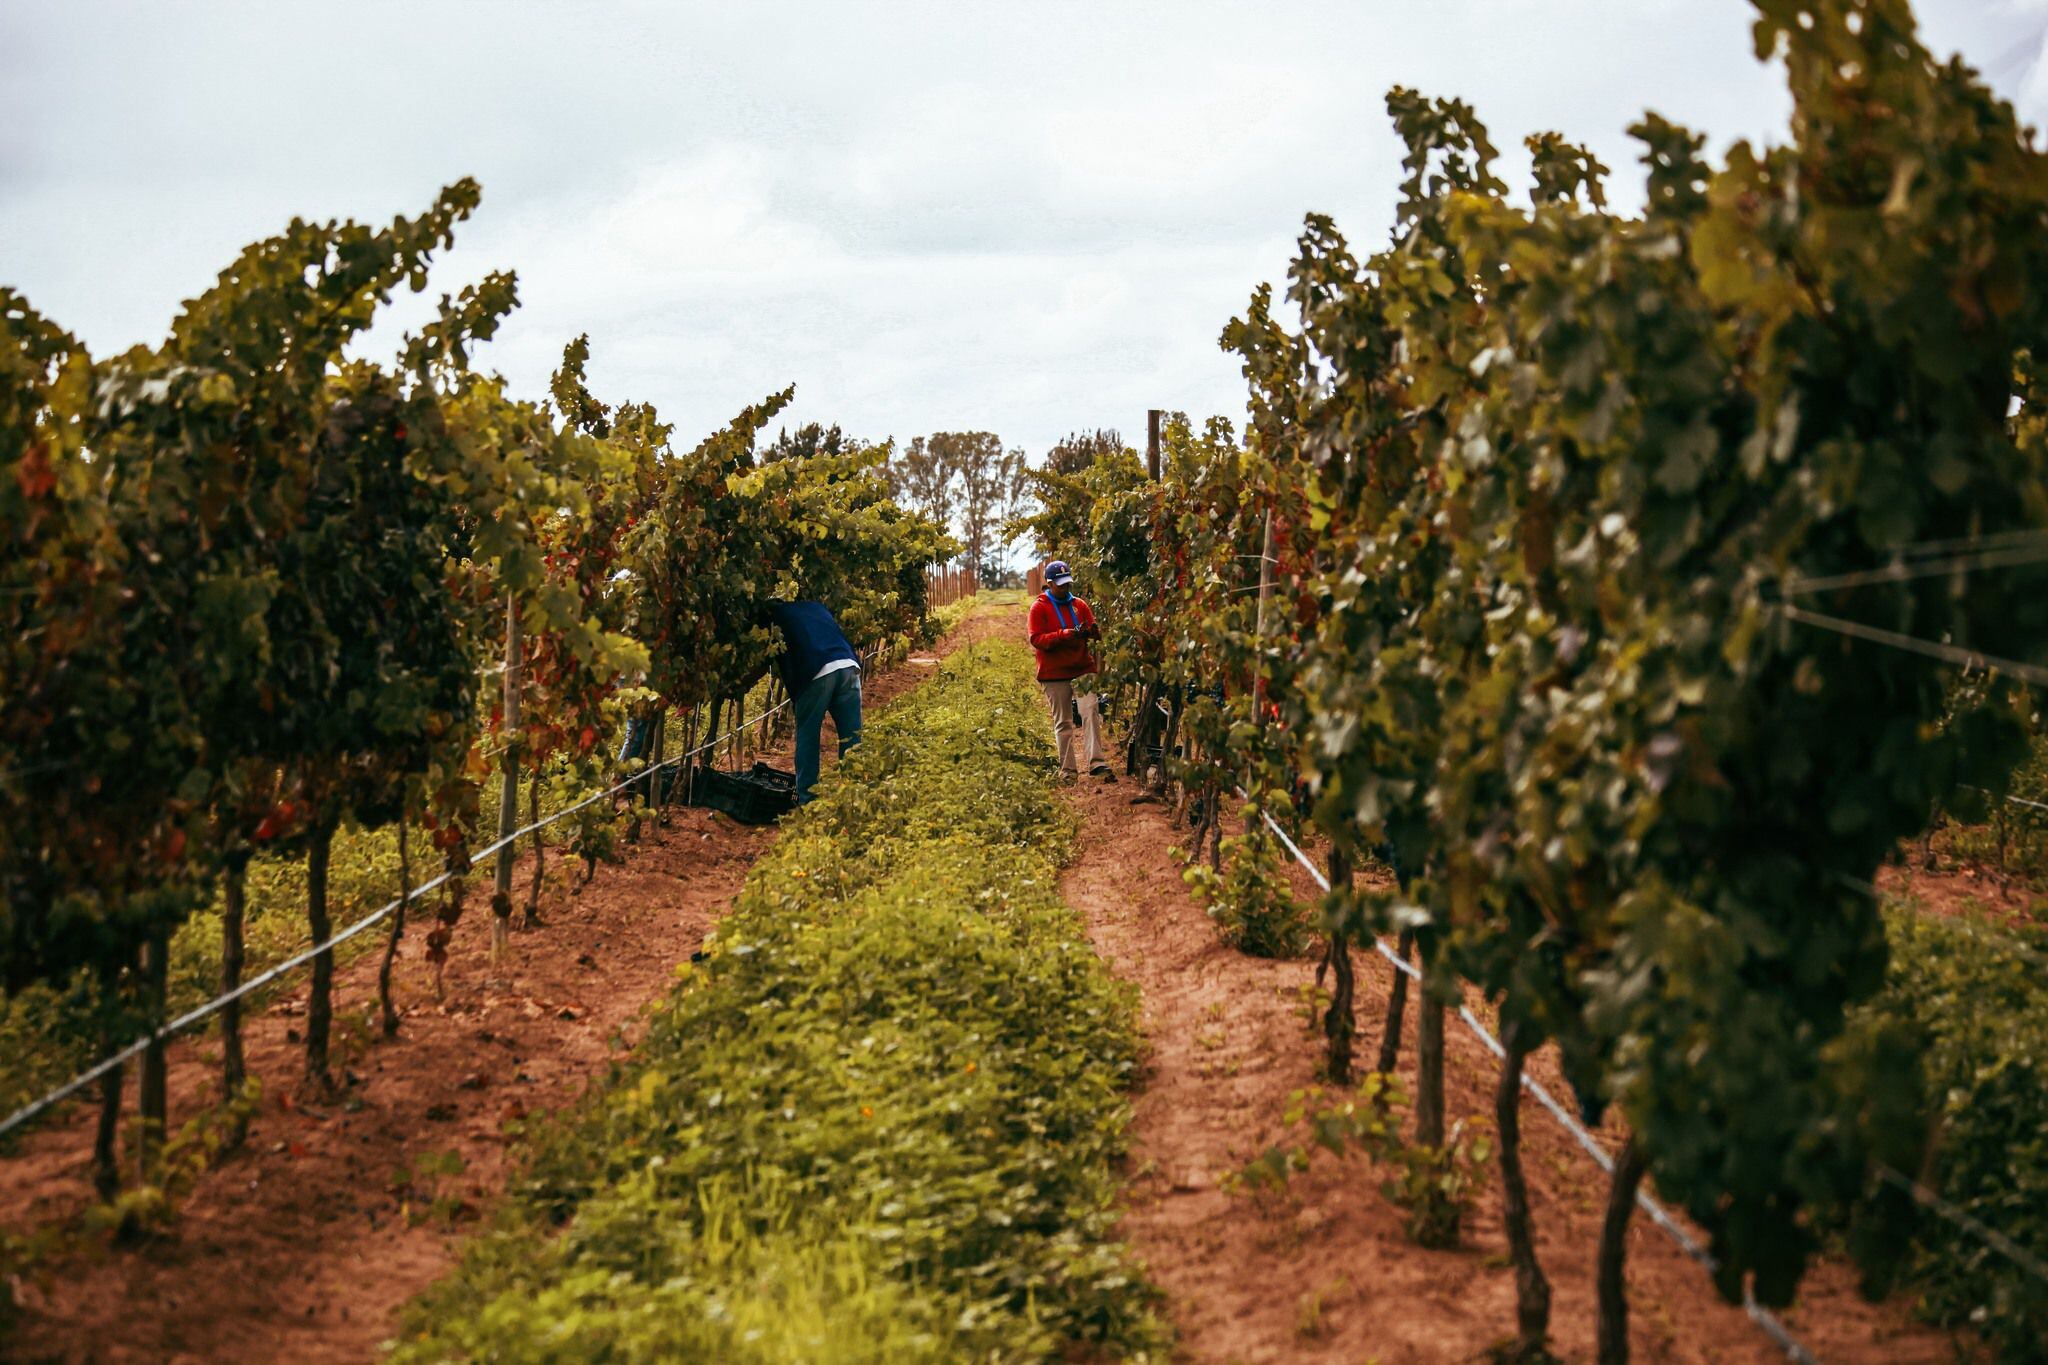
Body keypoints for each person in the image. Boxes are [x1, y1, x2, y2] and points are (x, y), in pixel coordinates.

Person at [768, 599, 862, 804]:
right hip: (848, 665)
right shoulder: (814, 607)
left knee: (808, 735)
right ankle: (855, 793)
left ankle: (808, 800)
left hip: (817, 671)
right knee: (852, 735)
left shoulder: (774, 621)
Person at [1027, 560, 1112, 782]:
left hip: (1082, 667)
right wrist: (1062, 635)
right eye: (1060, 584)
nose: (1065, 588)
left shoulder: (1080, 605)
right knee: (1063, 722)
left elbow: (1093, 629)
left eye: (1067, 584)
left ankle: (1097, 763)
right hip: (1053, 673)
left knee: (1090, 710)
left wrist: (1091, 632)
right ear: (1050, 583)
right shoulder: (1039, 607)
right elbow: (1036, 639)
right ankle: (1068, 771)